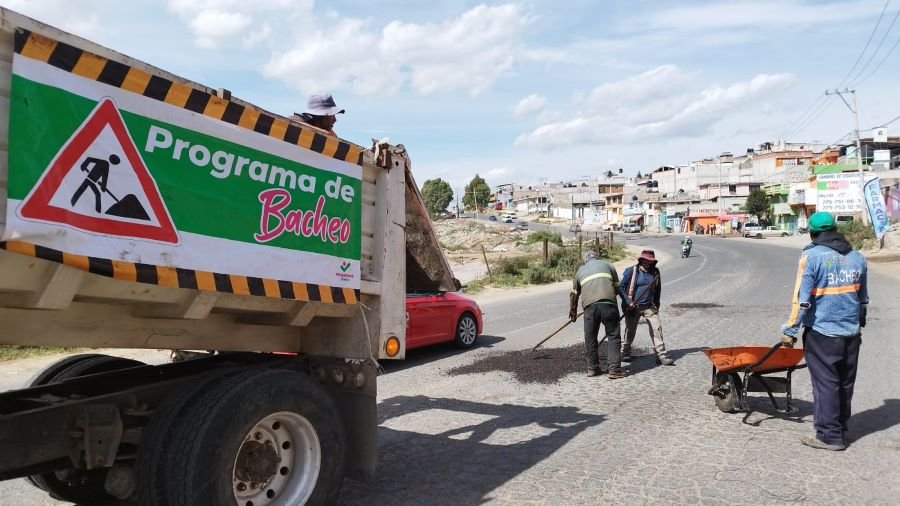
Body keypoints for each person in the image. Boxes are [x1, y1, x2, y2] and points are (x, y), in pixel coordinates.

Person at [780, 211, 868, 451]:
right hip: (851, 332)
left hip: (822, 331)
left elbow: (803, 299)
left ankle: (829, 436)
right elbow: (863, 299)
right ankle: (840, 427)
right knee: (844, 382)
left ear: (812, 232)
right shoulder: (857, 257)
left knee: (826, 383)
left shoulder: (811, 257)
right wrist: (858, 322)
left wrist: (791, 329)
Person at [569, 250, 627, 379]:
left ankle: (593, 368)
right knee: (613, 336)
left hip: (590, 308)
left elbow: (574, 293)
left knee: (590, 338)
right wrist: (627, 302)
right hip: (609, 305)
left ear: (586, 261)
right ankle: (614, 370)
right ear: (597, 258)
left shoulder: (580, 271)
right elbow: (618, 288)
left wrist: (572, 310)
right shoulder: (609, 265)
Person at [620, 250, 674, 366]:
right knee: (630, 330)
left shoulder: (655, 272)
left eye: (650, 261)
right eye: (645, 260)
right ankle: (625, 353)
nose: (647, 262)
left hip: (649, 306)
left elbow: (658, 290)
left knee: (657, 328)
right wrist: (628, 302)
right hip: (633, 307)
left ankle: (661, 356)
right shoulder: (631, 271)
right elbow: (621, 288)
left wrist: (657, 305)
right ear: (641, 260)